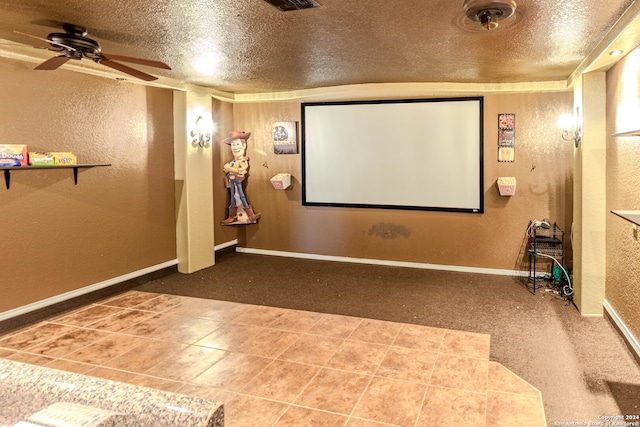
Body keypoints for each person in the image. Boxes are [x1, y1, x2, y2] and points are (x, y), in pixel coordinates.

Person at [222, 131, 261, 224]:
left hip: (238, 181)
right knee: (232, 197)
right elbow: (226, 169)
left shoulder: (243, 161)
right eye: (233, 145)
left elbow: (241, 170)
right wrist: (228, 169)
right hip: (232, 181)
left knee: (241, 196)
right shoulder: (233, 162)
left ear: (243, 146)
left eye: (237, 144)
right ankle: (232, 216)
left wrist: (230, 168)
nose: (235, 147)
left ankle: (250, 215)